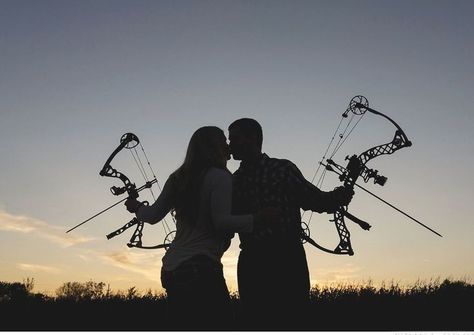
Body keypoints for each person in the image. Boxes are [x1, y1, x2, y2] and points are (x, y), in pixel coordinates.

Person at [124, 126, 278, 330]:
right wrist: (258, 218)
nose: (228, 145)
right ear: (213, 146)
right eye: (224, 140)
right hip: (201, 269)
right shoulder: (221, 177)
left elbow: (151, 216)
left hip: (172, 270)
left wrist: (137, 207)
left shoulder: (178, 177)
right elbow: (221, 222)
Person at [228, 118, 354, 330]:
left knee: (292, 321)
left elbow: (317, 201)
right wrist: (339, 196)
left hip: (284, 257)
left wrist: (340, 195)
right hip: (255, 259)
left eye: (235, 138)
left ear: (253, 139)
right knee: (256, 322)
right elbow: (228, 222)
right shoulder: (234, 180)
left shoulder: (281, 169)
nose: (230, 145)